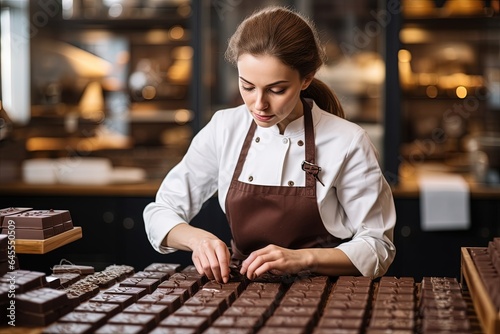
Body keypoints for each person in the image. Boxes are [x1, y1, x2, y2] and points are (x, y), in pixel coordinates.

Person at [144, 6, 396, 283]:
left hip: (322, 291)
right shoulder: (224, 128)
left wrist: (301, 258)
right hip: (240, 289)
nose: (259, 104)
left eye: (277, 90)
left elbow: (378, 246)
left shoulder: (347, 141)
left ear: (306, 79)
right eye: (247, 86)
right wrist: (197, 239)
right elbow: (160, 211)